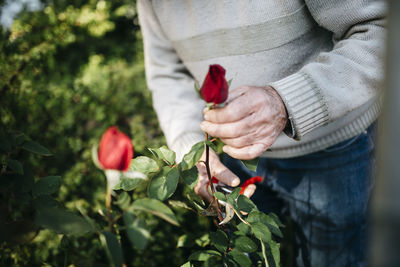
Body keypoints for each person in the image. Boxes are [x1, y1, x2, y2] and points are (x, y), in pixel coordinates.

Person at [137, 1, 386, 266]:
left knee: (334, 257)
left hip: (332, 148)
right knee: (244, 254)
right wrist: (190, 146)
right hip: (231, 159)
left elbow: (381, 30)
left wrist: (287, 102)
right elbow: (167, 73)